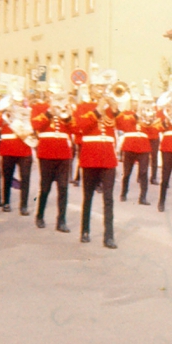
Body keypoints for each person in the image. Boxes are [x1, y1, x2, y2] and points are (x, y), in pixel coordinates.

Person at [75, 79, 120, 247]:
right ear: (91, 89)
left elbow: (124, 125)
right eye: (98, 87)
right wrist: (98, 109)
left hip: (108, 157)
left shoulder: (110, 109)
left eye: (103, 87)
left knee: (108, 198)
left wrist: (115, 109)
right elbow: (81, 126)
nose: (101, 90)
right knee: (88, 197)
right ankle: (85, 230)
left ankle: (109, 236)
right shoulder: (83, 107)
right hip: (90, 156)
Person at [32, 92, 75, 233]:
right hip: (47, 153)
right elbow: (36, 124)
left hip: (63, 153)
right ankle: (40, 215)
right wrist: (50, 112)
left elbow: (74, 128)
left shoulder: (68, 108)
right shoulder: (40, 108)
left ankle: (61, 220)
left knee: (63, 188)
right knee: (45, 187)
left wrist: (67, 116)